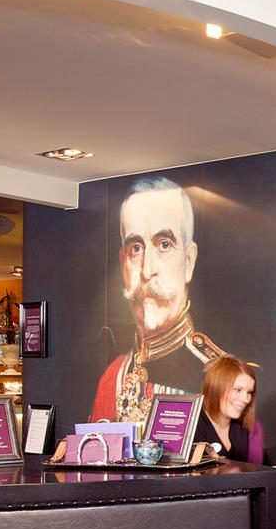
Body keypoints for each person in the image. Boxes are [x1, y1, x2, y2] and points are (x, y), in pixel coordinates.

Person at [90, 176, 233, 423]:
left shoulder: (220, 374)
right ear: (123, 262)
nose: (147, 270)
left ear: (189, 261)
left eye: (164, 244)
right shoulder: (112, 377)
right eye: (135, 248)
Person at [201, 355, 265, 464]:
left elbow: (256, 474)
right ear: (216, 387)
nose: (246, 399)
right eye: (238, 390)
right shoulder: (188, 426)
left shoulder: (252, 427)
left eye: (249, 392)